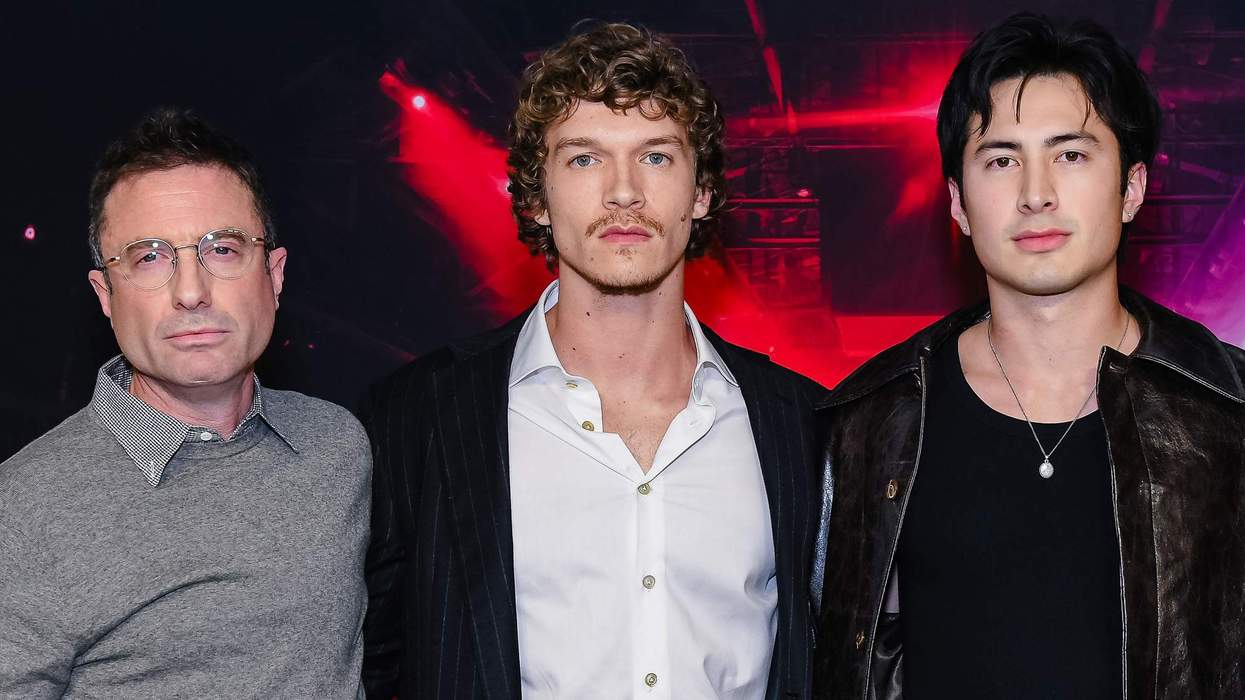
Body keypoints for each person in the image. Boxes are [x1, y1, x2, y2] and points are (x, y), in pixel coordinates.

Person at [362, 22, 825, 699]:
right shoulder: (416, 418)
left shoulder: (803, 424)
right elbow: (373, 667)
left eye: (657, 157)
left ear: (700, 195)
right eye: (583, 159)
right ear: (534, 199)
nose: (623, 192)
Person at [813, 12, 1245, 699]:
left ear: (1131, 187)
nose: (1034, 192)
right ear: (956, 201)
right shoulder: (867, 420)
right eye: (1001, 159)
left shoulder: (1230, 413)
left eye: (1070, 154)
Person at [0, 108, 371, 698]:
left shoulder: (338, 445)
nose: (191, 291)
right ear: (105, 294)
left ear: (273, 274)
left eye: (222, 250)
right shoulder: (22, 508)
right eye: (149, 258)